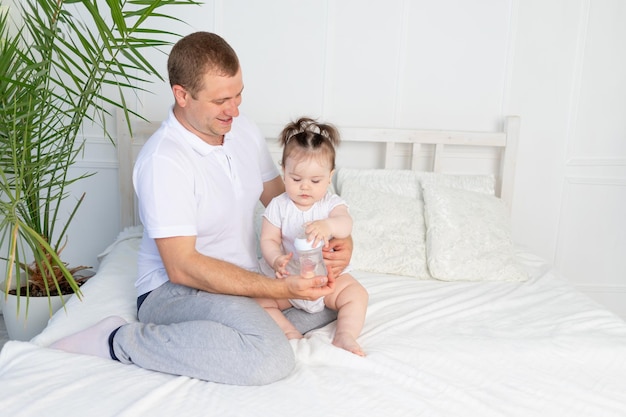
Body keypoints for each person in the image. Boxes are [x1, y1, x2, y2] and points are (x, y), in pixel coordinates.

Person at [49, 31, 354, 386]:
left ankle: (235, 324)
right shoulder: (164, 160)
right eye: (221, 100)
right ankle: (118, 340)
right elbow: (182, 268)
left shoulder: (243, 131)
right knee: (270, 357)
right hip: (173, 291)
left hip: (238, 278)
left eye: (239, 94)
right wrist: (280, 290)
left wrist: (335, 241)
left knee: (333, 300)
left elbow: (281, 202)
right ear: (182, 95)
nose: (235, 109)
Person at [256, 118, 368, 357]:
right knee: (257, 299)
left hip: (325, 280)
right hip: (289, 280)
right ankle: (289, 332)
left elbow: (345, 224)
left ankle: (345, 335)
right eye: (296, 179)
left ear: (330, 176)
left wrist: (329, 225)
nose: (305, 187)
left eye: (315, 181)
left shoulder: (330, 204)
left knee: (357, 295)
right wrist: (276, 259)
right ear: (284, 172)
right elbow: (268, 239)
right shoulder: (278, 206)